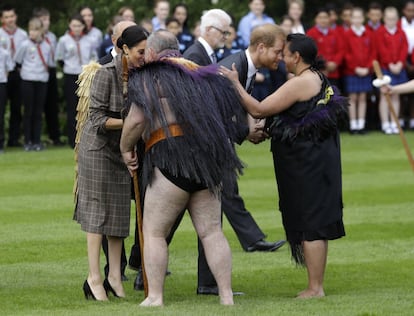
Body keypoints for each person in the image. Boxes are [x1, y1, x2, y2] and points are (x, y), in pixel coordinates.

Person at [120, 29, 244, 307]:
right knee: (211, 231)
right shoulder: (204, 74)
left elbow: (137, 120)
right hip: (208, 162)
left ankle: (155, 297)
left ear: (152, 52)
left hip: (170, 157)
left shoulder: (150, 76)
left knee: (153, 232)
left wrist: (125, 148)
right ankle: (226, 296)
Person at [221, 33, 347, 299]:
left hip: (307, 164)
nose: (280, 58)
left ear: (296, 57)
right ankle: (315, 285)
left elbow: (258, 109)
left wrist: (235, 84)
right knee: (313, 220)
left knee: (311, 222)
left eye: (284, 53)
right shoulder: (316, 77)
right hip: (317, 160)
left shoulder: (300, 83)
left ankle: (315, 288)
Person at [183, 9, 284, 296]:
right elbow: (211, 113)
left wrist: (250, 125)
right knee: (204, 208)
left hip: (215, 144)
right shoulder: (233, 68)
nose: (280, 57)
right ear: (261, 48)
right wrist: (245, 132)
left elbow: (238, 109)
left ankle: (207, 282)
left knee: (209, 216)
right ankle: (251, 240)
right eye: (277, 51)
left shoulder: (243, 67)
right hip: (203, 146)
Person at [73, 25, 148, 301]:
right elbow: (96, 119)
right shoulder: (104, 74)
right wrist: (131, 123)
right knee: (98, 215)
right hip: (96, 150)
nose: (144, 55)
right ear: (124, 49)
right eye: (140, 51)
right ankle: (94, 278)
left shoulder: (140, 74)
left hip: (120, 151)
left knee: (118, 215)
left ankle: (114, 277)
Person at [97, 19, 137, 282]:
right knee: (110, 211)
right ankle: (116, 268)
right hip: (109, 151)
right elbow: (94, 118)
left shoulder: (142, 66)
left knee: (149, 206)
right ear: (116, 41)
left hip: (139, 148)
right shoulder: (98, 68)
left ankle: (142, 259)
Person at [55, 13, 98, 148]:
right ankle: (72, 139)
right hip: (71, 74)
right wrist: (69, 67)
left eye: (79, 25)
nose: (77, 28)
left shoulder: (89, 40)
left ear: (83, 26)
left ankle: (86, 137)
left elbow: (93, 57)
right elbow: (60, 57)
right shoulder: (64, 40)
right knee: (72, 107)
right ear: (69, 25)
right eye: (74, 25)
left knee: (86, 106)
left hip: (85, 75)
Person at [14, 17, 54, 151]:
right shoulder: (25, 44)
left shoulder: (47, 45)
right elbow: (18, 62)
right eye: (30, 29)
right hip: (28, 79)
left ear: (41, 31)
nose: (32, 33)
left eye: (35, 30)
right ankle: (27, 141)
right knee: (28, 111)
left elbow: (49, 62)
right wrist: (27, 72)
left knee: (38, 112)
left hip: (42, 79)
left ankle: (37, 141)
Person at [342, 7, 376, 134]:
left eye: (359, 17)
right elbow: (346, 53)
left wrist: (367, 68)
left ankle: (361, 124)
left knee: (362, 97)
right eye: (354, 17)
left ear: (363, 18)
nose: (356, 20)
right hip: (352, 71)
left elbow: (373, 52)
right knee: (353, 97)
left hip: (366, 71)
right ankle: (353, 125)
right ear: (351, 19)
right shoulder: (347, 34)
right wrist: (355, 68)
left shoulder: (369, 34)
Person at [33, 7, 63, 146]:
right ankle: (34, 138)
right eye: (43, 19)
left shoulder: (51, 37)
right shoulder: (33, 37)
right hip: (36, 72)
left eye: (47, 19)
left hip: (50, 70)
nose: (46, 22)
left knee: (52, 105)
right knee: (37, 106)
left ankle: (54, 136)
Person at [376, 7, 408, 135]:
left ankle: (395, 122)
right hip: (385, 68)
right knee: (385, 95)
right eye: (389, 19)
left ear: (397, 19)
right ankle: (385, 123)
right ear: (384, 19)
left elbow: (404, 48)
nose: (391, 21)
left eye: (394, 19)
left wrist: (400, 63)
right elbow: (381, 49)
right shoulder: (380, 32)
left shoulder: (401, 32)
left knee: (396, 95)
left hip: (399, 68)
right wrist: (390, 64)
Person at [0, 5, 28, 148]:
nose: (10, 19)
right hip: (3, 74)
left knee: (17, 108)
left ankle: (14, 139)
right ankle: (1, 141)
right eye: (6, 17)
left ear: (15, 17)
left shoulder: (23, 34)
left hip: (18, 74)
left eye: (11, 16)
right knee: (1, 107)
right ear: (2, 19)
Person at [306, 7, 344, 87]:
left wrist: (335, 63)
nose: (323, 20)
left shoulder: (335, 33)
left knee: (333, 97)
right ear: (315, 19)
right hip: (318, 72)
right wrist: (324, 64)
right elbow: (311, 51)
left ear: (329, 19)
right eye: (320, 17)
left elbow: (341, 50)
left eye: (325, 17)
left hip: (334, 73)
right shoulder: (310, 33)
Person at [0, 39, 14, 153]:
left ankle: (0, 144)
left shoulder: (4, 53)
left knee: (1, 114)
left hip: (1, 84)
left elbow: (8, 69)